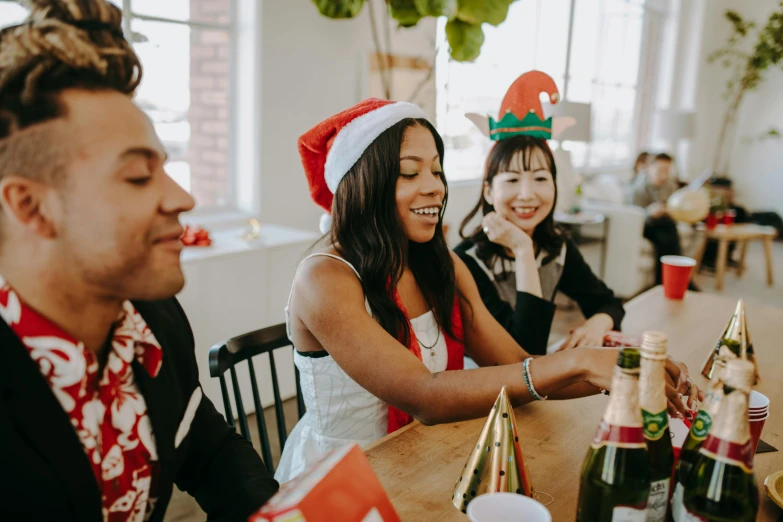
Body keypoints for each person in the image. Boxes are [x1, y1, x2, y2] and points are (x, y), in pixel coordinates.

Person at [275, 98, 700, 483]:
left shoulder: (441, 265)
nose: (434, 187)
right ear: (362, 183)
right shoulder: (325, 278)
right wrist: (582, 360)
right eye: (410, 172)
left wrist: (628, 368)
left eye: (437, 171)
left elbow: (519, 363)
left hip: (426, 457)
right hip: (342, 475)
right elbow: (426, 395)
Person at [0, 2, 277, 521]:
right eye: (136, 177)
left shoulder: (155, 320)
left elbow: (204, 443)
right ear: (31, 206)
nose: (183, 199)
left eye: (165, 170)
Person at [455, 71, 624, 355]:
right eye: (511, 179)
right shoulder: (467, 261)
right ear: (488, 191)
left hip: (535, 385)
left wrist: (598, 323)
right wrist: (522, 249)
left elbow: (609, 303)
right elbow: (521, 350)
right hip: (484, 388)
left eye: (540, 178)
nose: (527, 194)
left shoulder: (556, 249)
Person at [630, 152, 687, 286]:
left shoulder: (669, 185)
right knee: (667, 232)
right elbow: (632, 218)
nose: (664, 175)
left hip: (663, 224)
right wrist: (649, 212)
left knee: (668, 229)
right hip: (644, 225)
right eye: (660, 170)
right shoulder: (638, 188)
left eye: (667, 170)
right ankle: (672, 281)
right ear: (649, 168)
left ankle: (668, 281)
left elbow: (675, 208)